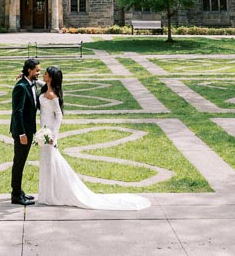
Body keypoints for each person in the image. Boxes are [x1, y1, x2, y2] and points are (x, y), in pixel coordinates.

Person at [36, 65, 149, 210]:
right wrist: (31, 80)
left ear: (50, 78)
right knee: (46, 162)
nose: (43, 76)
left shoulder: (53, 96)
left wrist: (53, 135)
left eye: (45, 74)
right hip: (43, 130)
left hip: (50, 132)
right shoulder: (46, 89)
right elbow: (42, 84)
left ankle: (55, 193)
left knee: (52, 161)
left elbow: (59, 116)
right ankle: (47, 194)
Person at [9, 57, 40, 205]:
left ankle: (19, 191)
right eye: (37, 70)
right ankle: (15, 195)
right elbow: (17, 112)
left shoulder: (31, 83)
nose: (39, 73)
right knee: (19, 163)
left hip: (29, 130)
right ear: (30, 70)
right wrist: (22, 134)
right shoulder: (21, 87)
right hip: (22, 132)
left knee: (21, 161)